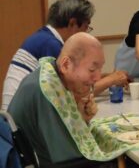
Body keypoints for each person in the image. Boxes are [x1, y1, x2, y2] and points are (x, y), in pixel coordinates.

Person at [7, 32, 121, 167]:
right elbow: (68, 157)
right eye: (92, 69)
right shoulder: (46, 90)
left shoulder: (51, 76)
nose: (98, 77)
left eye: (100, 69)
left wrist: (81, 118)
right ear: (66, 64)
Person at [2, 0, 129, 110]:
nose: (86, 32)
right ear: (72, 23)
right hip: (21, 123)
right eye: (86, 27)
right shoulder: (51, 45)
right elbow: (73, 94)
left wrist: (110, 77)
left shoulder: (44, 37)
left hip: (14, 116)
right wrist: (110, 80)